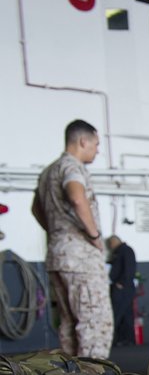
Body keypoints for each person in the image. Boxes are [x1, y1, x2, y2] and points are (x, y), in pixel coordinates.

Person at [32, 119, 112, 358]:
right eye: (96, 144)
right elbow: (77, 196)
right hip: (80, 259)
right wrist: (93, 234)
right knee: (93, 324)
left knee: (68, 323)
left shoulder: (48, 172)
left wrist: (57, 231)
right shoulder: (72, 167)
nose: (97, 150)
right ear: (82, 141)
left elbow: (36, 208)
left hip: (58, 254)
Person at [107, 235, 137, 346]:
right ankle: (127, 339)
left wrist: (122, 283)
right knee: (126, 315)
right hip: (125, 288)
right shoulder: (120, 252)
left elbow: (129, 269)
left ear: (115, 242)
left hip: (123, 288)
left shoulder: (126, 251)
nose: (109, 246)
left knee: (116, 314)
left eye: (110, 243)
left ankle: (115, 339)